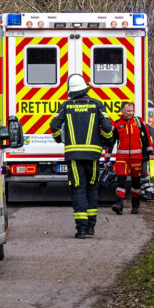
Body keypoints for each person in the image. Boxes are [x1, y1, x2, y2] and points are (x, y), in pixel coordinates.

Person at [50, 74, 114, 239]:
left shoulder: (66, 105)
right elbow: (107, 127)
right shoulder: (97, 104)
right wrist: (108, 141)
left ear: (71, 91)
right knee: (92, 188)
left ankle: (82, 230)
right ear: (85, 89)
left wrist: (58, 139)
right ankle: (91, 227)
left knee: (78, 189)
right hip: (92, 155)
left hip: (73, 156)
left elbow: (54, 126)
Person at [111, 102, 154, 215]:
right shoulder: (117, 124)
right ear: (122, 111)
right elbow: (110, 143)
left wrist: (151, 151)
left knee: (136, 184)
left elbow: (147, 137)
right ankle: (119, 205)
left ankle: (135, 205)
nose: (130, 113)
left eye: (131, 111)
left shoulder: (139, 122)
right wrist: (107, 159)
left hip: (137, 158)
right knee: (121, 182)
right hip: (122, 158)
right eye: (128, 111)